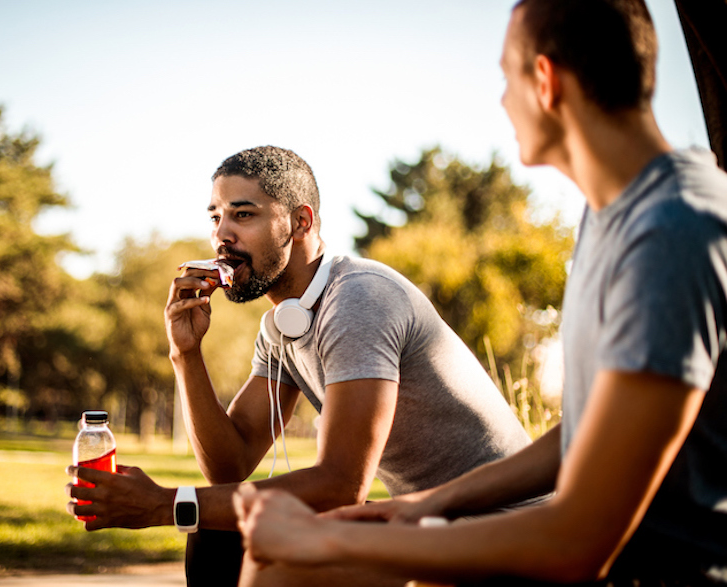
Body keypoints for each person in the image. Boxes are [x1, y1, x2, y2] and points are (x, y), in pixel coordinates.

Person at [234, 1, 727, 585]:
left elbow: (577, 542)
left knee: (288, 568)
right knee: (285, 565)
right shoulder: (613, 217)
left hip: (644, 573)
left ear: (544, 80)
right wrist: (426, 504)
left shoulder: (673, 230)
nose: (502, 100)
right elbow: (585, 433)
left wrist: (322, 536)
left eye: (506, 77)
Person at [65, 145, 532, 587]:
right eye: (215, 217)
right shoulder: (282, 327)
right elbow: (230, 466)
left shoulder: (357, 299)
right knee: (220, 534)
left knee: (225, 533)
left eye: (243, 215)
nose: (222, 235)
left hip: (503, 532)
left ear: (300, 222)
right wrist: (185, 354)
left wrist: (164, 504)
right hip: (431, 523)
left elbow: (340, 485)